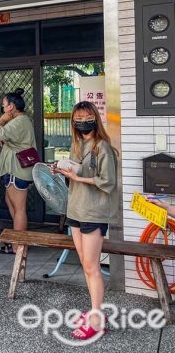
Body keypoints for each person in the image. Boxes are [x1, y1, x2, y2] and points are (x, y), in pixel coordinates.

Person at [56, 101, 118, 341]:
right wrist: (62, 171)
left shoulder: (103, 147)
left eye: (87, 116)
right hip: (76, 211)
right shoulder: (76, 144)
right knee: (85, 263)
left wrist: (78, 178)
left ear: (95, 118)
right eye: (78, 117)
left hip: (94, 213)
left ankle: (97, 318)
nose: (83, 121)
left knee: (92, 266)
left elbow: (108, 181)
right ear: (73, 122)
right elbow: (74, 174)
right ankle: (94, 309)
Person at [0, 88, 36, 255]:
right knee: (12, 204)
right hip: (13, 169)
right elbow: (4, 140)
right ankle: (18, 244)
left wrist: (1, 120)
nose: (3, 108)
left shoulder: (19, 121)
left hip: (16, 170)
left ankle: (19, 247)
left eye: (4, 105)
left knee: (19, 208)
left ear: (11, 107)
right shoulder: (21, 121)